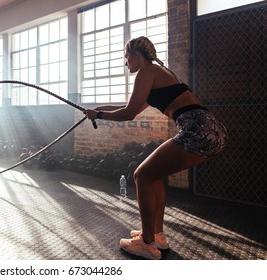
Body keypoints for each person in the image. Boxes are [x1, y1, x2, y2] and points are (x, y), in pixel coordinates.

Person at [84, 36, 227, 260]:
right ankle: (157, 236)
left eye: (126, 57)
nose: (125, 63)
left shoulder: (147, 71)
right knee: (153, 175)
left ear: (136, 55)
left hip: (197, 129)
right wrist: (98, 109)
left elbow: (129, 114)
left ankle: (147, 243)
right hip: (212, 130)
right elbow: (130, 107)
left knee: (141, 175)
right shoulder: (159, 73)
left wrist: (100, 116)